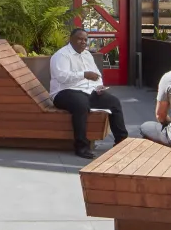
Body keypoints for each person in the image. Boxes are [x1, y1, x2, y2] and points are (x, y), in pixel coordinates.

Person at [49, 26, 128, 158]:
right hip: (64, 92)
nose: (83, 42)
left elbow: (97, 74)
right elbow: (62, 77)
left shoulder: (87, 55)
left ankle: (121, 141)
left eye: (85, 40)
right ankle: (81, 147)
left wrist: (99, 86)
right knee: (81, 104)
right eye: (80, 39)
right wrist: (84, 74)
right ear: (71, 40)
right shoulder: (61, 55)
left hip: (88, 90)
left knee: (114, 102)